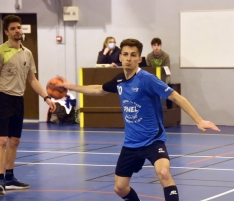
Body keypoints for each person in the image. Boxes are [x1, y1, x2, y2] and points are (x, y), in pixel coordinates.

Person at [58, 38, 220, 201]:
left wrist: (199, 120)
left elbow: (176, 97)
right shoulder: (119, 80)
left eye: (133, 55)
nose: (128, 58)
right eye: (125, 54)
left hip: (153, 140)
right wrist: (71, 87)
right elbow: (99, 89)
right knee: (120, 188)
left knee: (164, 173)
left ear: (139, 59)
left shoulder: (147, 79)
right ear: (120, 57)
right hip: (131, 143)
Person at [0, 15, 56, 195]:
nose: (18, 31)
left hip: (18, 99)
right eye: (14, 28)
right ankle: (0, 179)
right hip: (2, 98)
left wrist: (46, 97)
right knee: (1, 141)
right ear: (6, 32)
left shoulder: (27, 53)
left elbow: (32, 79)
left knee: (15, 140)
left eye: (19, 27)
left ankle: (9, 177)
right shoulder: (1, 52)